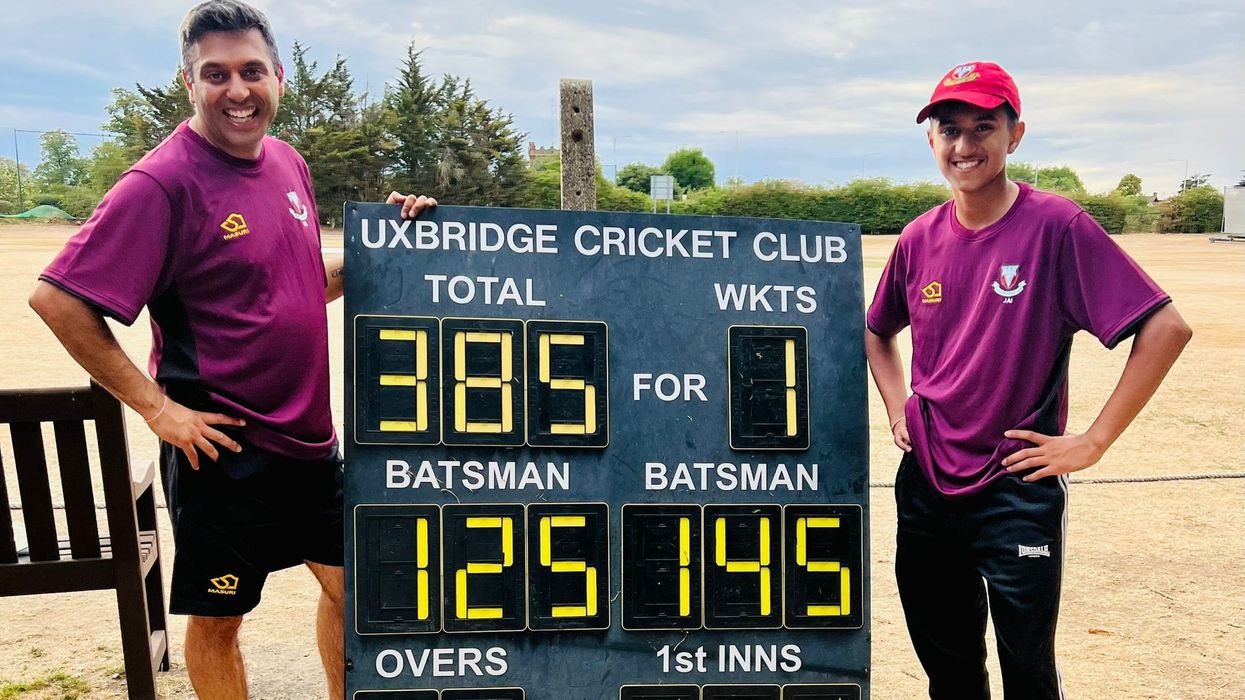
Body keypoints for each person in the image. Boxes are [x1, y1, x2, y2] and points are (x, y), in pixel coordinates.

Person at [28, 2, 435, 698]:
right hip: (223, 451)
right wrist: (158, 410)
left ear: (278, 76)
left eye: (252, 71)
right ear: (189, 83)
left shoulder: (287, 162)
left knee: (351, 592)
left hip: (311, 443)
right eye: (215, 74)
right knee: (220, 620)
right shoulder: (159, 184)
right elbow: (57, 300)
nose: (237, 89)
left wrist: (393, 245)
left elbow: (302, 285)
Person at [864, 61, 1191, 699]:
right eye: (949, 129)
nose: (965, 146)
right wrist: (900, 408)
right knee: (950, 672)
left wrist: (1092, 441)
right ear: (931, 140)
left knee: (1028, 672)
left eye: (983, 127)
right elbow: (877, 331)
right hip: (928, 486)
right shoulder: (917, 238)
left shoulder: (1057, 227)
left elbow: (1166, 329)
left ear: (1015, 135)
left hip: (1017, 486)